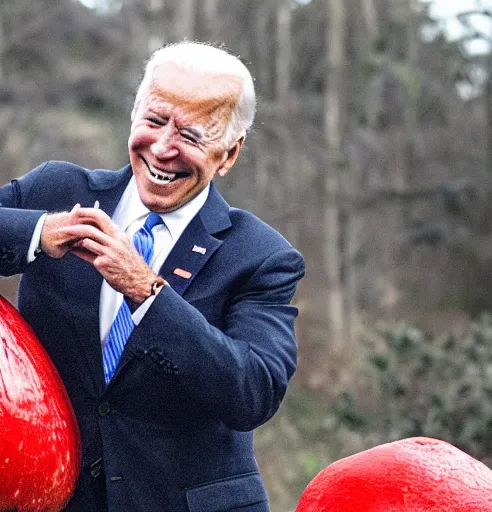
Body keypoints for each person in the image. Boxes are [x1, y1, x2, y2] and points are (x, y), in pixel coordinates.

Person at [0, 42, 304, 511]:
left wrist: (147, 292)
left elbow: (253, 391)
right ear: (134, 115)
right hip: (58, 500)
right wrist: (40, 230)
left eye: (193, 135)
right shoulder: (57, 190)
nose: (163, 149)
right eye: (155, 121)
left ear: (229, 154)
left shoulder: (262, 257)